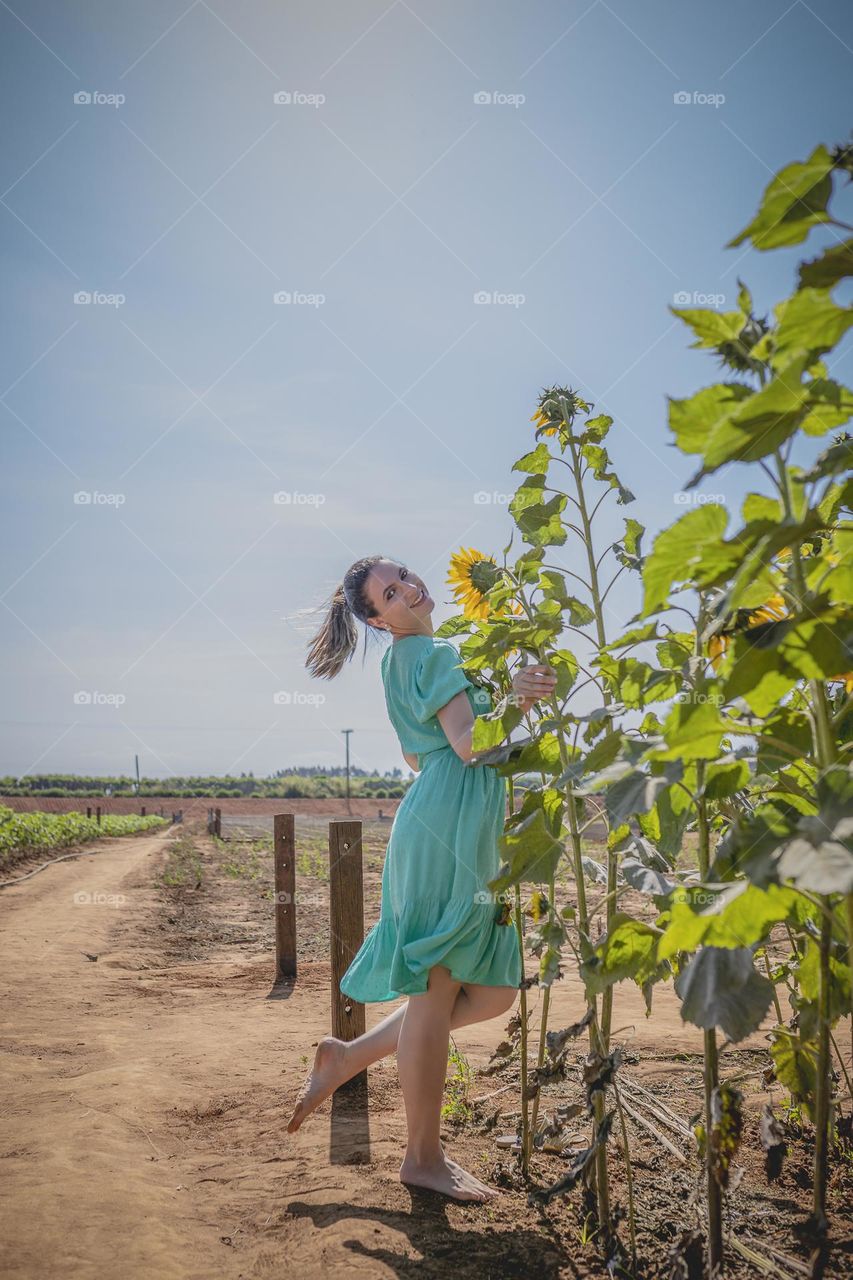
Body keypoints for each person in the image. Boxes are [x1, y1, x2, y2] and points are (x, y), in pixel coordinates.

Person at [286, 555, 557, 1202]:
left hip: (451, 819)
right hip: (450, 831)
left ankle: (346, 1057)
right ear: (378, 619)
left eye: (404, 576)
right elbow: (467, 745)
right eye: (390, 592)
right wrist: (515, 700)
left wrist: (497, 709)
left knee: (490, 992)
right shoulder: (431, 653)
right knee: (438, 993)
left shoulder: (402, 662)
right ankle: (422, 1159)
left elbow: (417, 752)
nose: (409, 588)